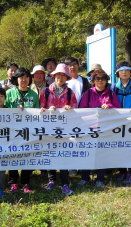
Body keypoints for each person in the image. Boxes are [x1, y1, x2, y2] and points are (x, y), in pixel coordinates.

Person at [39, 63, 78, 196]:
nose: (60, 78)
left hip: (64, 129)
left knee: (63, 155)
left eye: (63, 76)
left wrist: (69, 108)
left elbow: (75, 107)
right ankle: (51, 180)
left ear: (66, 78)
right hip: (49, 128)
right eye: (58, 75)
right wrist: (45, 110)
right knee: (50, 153)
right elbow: (40, 108)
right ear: (54, 76)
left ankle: (65, 182)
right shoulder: (45, 91)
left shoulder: (70, 93)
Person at [77, 71, 120, 188]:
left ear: (106, 81)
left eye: (102, 78)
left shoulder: (111, 94)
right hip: (90, 128)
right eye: (97, 78)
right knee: (87, 153)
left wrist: (109, 106)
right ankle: (85, 177)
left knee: (102, 153)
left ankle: (100, 178)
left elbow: (118, 109)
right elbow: (82, 109)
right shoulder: (88, 93)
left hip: (105, 128)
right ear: (93, 81)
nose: (100, 80)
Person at [4, 67, 39, 193]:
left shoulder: (34, 95)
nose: (23, 80)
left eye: (26, 77)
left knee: (27, 156)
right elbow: (3, 110)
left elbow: (37, 113)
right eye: (21, 77)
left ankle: (25, 182)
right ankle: (13, 182)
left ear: (29, 79)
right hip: (13, 131)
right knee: (13, 155)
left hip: (28, 132)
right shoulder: (9, 93)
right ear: (16, 79)